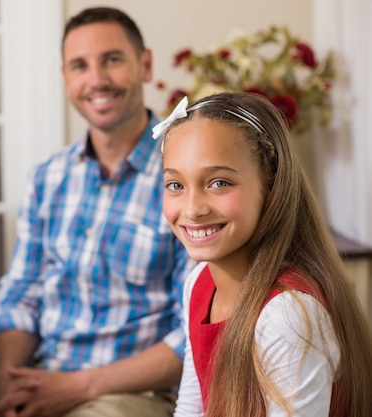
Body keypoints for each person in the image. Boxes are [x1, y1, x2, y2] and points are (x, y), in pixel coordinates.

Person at [0, 7, 191, 417]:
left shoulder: (183, 178)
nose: (97, 79)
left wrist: (77, 386)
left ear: (145, 64)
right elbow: (22, 293)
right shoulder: (48, 178)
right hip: (38, 371)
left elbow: (191, 334)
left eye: (113, 59)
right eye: (80, 66)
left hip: (133, 391)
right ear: (66, 78)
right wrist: (10, 383)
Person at [153, 92, 372, 417]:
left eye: (219, 182)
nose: (192, 209)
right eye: (175, 185)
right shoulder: (198, 283)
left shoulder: (287, 315)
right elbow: (191, 409)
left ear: (271, 187)